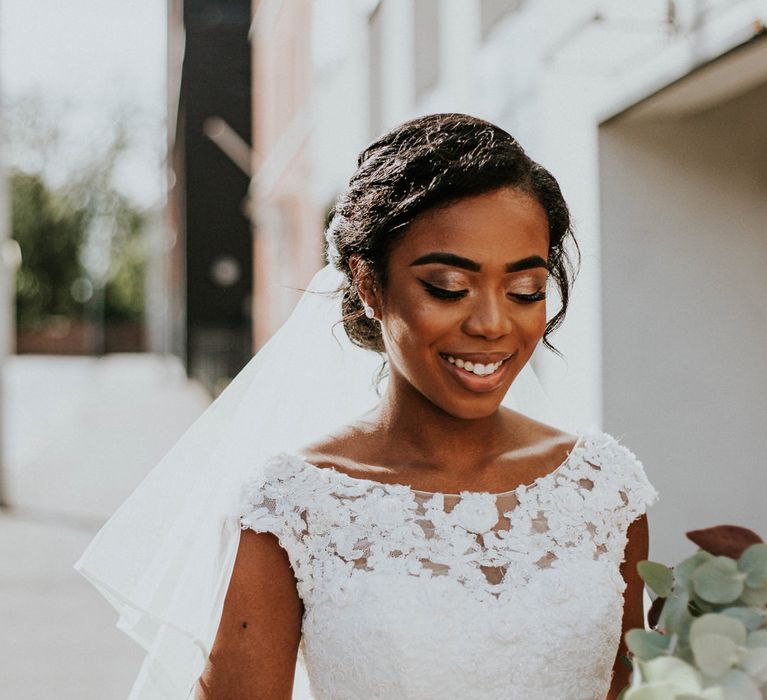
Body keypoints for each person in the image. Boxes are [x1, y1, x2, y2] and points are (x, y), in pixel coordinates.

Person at [76, 113, 658, 700]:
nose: (491, 323)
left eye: (524, 291)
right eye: (448, 288)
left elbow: (631, 685)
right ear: (369, 285)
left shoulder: (602, 489)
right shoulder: (295, 507)